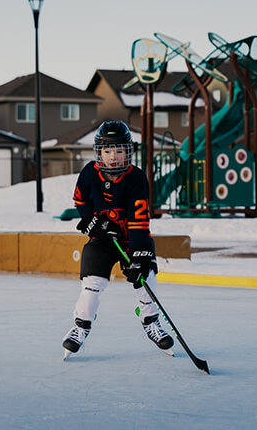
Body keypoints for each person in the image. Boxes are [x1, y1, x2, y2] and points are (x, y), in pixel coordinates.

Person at [62, 120, 174, 358]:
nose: (113, 157)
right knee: (93, 284)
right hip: (102, 241)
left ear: (128, 152)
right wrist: (93, 223)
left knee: (146, 278)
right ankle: (80, 327)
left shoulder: (136, 178)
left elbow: (139, 221)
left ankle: (150, 322)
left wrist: (139, 255)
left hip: (132, 239)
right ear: (99, 152)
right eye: (108, 150)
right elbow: (81, 202)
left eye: (120, 150)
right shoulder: (89, 174)